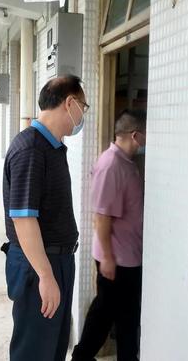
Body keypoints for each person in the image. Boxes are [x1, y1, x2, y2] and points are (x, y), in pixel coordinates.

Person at [3, 75, 89, 361]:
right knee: (35, 351)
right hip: (39, 264)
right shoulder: (31, 149)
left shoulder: (51, 145)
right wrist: (45, 275)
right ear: (70, 103)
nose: (82, 115)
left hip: (56, 260)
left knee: (53, 348)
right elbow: (23, 219)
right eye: (83, 107)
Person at [72, 109, 146, 361]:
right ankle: (81, 357)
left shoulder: (125, 163)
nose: (146, 141)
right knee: (104, 314)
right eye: (145, 135)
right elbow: (102, 216)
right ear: (135, 135)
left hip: (127, 256)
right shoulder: (111, 165)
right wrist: (107, 257)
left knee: (124, 316)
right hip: (117, 258)